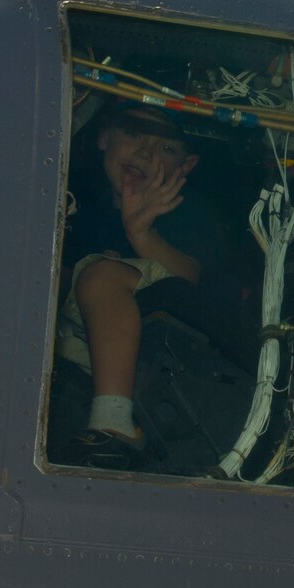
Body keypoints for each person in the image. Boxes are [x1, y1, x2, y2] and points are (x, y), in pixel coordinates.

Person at [54, 102, 224, 469]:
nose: (145, 152)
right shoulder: (76, 211)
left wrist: (141, 233)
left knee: (100, 275)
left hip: (175, 365)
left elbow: (190, 282)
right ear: (103, 137)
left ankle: (114, 424)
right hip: (78, 366)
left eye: (166, 148)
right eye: (133, 134)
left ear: (186, 166)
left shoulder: (192, 211)